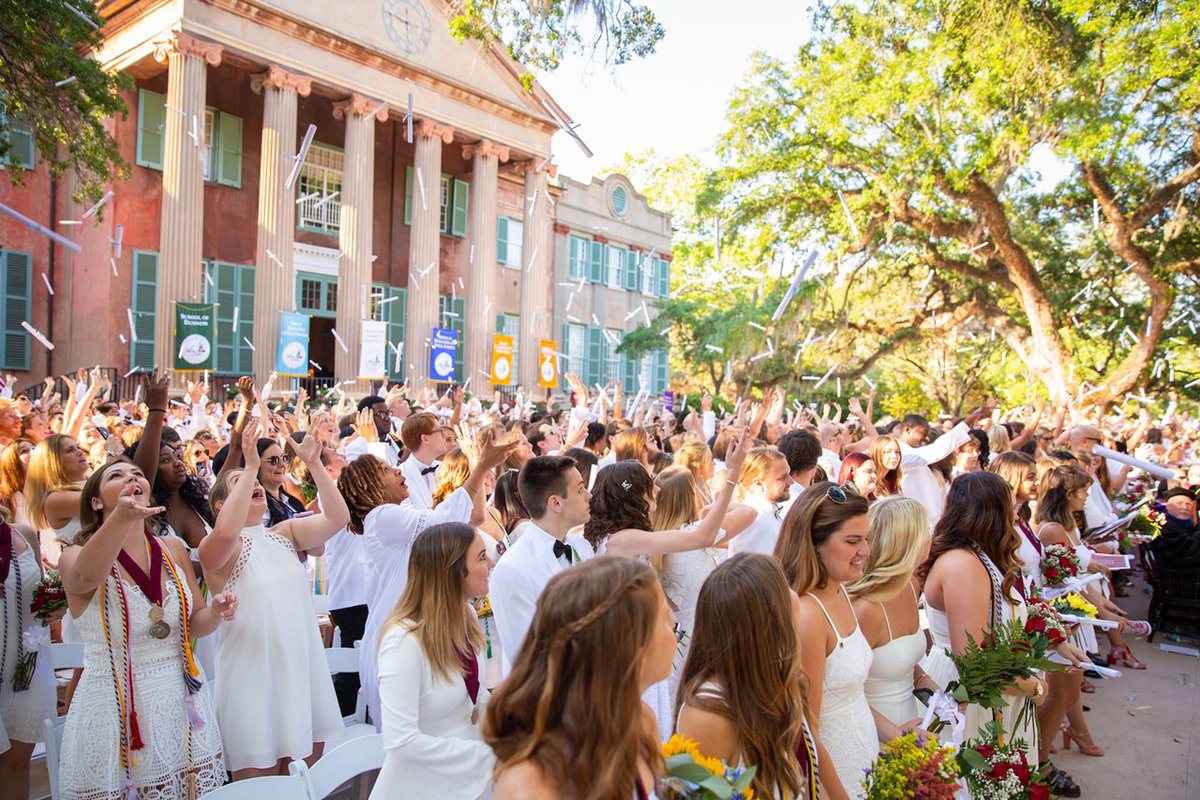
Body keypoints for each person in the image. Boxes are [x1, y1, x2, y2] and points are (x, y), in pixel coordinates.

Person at [56, 458, 236, 799]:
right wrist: (121, 519)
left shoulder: (172, 548)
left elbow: (195, 624)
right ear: (96, 502)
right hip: (118, 704)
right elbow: (86, 578)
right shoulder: (74, 555)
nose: (131, 478)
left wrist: (215, 610)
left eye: (137, 474)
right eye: (116, 476)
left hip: (177, 697)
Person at [919, 471, 1088, 793]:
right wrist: (1034, 687)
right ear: (992, 511)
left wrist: (1059, 642)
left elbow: (1012, 612)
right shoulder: (962, 565)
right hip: (971, 696)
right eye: (1010, 507)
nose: (1016, 515)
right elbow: (974, 661)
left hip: (997, 688)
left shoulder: (980, 557)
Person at [200, 425, 350, 779]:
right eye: (239, 484)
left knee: (305, 779)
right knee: (260, 781)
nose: (253, 485)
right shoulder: (216, 548)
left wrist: (313, 463)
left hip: (299, 666)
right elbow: (224, 531)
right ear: (221, 505)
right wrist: (250, 465)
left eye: (253, 482)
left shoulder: (284, 534)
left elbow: (338, 518)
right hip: (253, 673)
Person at [338, 431, 516, 726]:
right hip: (401, 628)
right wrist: (481, 467)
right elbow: (440, 524)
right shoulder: (380, 516)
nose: (397, 468)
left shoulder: (397, 514)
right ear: (369, 487)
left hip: (423, 621)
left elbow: (462, 520)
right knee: (412, 721)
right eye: (385, 470)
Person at [485, 557, 675, 800]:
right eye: (664, 615)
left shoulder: (640, 719)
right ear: (629, 646)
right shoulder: (530, 786)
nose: (674, 622)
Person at [675, 553, 824, 800]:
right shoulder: (708, 713)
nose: (794, 595)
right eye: (783, 588)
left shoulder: (778, 675)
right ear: (765, 622)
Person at [370, 523, 495, 800]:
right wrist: (487, 755)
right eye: (482, 557)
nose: (491, 563)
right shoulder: (403, 641)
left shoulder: (466, 616)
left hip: (470, 782)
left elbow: (473, 696)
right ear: (453, 571)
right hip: (423, 788)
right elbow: (401, 742)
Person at [775, 481, 879, 800]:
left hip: (867, 763)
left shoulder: (841, 590)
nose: (865, 551)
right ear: (814, 542)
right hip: (837, 779)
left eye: (866, 539)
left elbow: (850, 696)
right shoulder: (808, 615)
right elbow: (806, 731)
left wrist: (899, 734)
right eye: (852, 541)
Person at [489, 455, 594, 675]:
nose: (589, 496)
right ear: (555, 502)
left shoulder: (582, 546)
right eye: (581, 489)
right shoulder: (512, 568)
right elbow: (526, 655)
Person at [848, 496, 935, 728]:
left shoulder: (910, 585)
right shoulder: (865, 609)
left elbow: (901, 660)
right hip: (874, 732)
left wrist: (938, 694)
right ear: (907, 542)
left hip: (914, 725)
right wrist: (897, 737)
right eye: (925, 529)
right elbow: (844, 694)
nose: (931, 537)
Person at [0, 518, 57, 800]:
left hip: (25, 668)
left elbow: (39, 596)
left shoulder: (20, 533)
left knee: (15, 764)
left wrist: (56, 603)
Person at [896, 406, 989, 525]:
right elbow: (936, 450)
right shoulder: (901, 454)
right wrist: (969, 420)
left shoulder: (912, 452)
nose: (925, 438)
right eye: (922, 433)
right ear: (907, 429)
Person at [25, 433, 89, 565]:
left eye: (78, 447)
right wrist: (113, 454)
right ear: (53, 462)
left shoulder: (90, 483)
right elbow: (103, 498)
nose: (80, 452)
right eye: (70, 450)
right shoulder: (55, 498)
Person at [723, 447, 792, 556]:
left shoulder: (766, 513)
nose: (791, 481)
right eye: (782, 477)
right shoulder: (755, 520)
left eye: (789, 474)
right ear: (759, 484)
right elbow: (765, 569)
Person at [399, 412, 455, 510]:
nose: (445, 435)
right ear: (425, 438)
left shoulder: (446, 469)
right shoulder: (400, 476)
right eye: (440, 430)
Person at [0, 439, 33, 527]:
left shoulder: (55, 489)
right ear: (12, 462)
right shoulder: (5, 500)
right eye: (24, 451)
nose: (33, 452)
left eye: (35, 448)